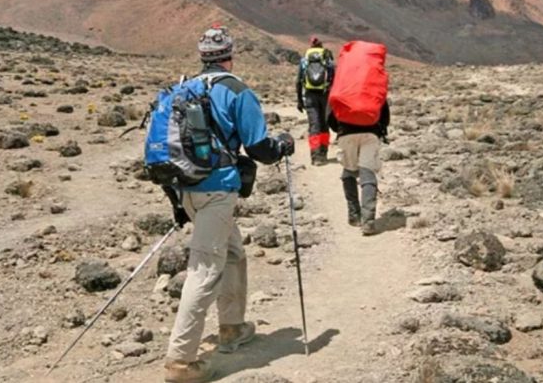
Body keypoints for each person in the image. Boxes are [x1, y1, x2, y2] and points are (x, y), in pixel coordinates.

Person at [164, 24, 295, 383]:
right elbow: (258, 147)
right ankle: (181, 362)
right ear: (230, 57)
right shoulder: (237, 91)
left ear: (202, 57)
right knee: (204, 270)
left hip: (186, 188)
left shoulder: (182, 89)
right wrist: (282, 145)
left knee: (233, 253)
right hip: (217, 190)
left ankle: (232, 327)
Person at [327, 100, 389, 236]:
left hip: (346, 133)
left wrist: (341, 128)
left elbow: (330, 116)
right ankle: (368, 221)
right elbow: (385, 114)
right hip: (371, 133)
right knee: (367, 172)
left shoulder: (343, 86)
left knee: (349, 170)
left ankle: (354, 215)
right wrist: (380, 129)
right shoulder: (372, 84)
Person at [295, 36, 335, 165]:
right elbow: (334, 79)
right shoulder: (327, 59)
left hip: (310, 96)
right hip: (325, 95)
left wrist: (299, 100)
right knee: (324, 124)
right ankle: (323, 152)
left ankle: (315, 156)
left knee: (314, 125)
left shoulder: (305, 61)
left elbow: (298, 81)